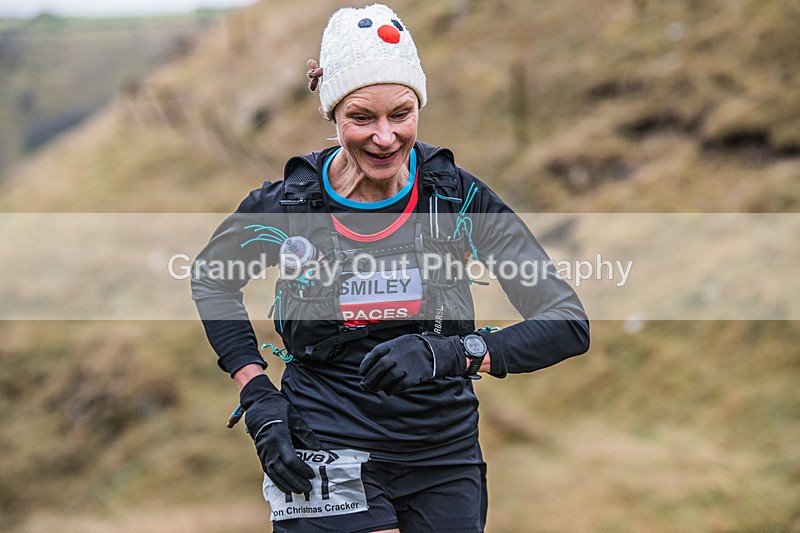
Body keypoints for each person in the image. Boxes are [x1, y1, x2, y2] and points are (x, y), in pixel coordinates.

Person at [192, 4, 589, 532]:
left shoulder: (455, 200)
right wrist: (257, 391)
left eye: (401, 114)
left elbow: (566, 322)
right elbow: (212, 279)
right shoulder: (291, 205)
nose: (385, 137)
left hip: (443, 455)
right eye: (362, 118)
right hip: (326, 440)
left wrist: (452, 353)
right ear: (333, 114)